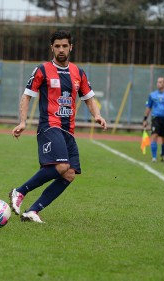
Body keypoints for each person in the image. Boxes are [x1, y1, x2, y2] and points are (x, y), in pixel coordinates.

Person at [9, 30, 107, 223]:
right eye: (57, 46)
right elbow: (27, 95)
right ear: (52, 48)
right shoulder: (42, 70)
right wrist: (23, 121)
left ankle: (32, 211)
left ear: (71, 47)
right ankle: (19, 191)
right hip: (49, 126)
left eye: (64, 46)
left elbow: (89, 97)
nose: (61, 50)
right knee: (61, 166)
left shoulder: (78, 73)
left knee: (69, 174)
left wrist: (97, 115)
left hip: (68, 130)